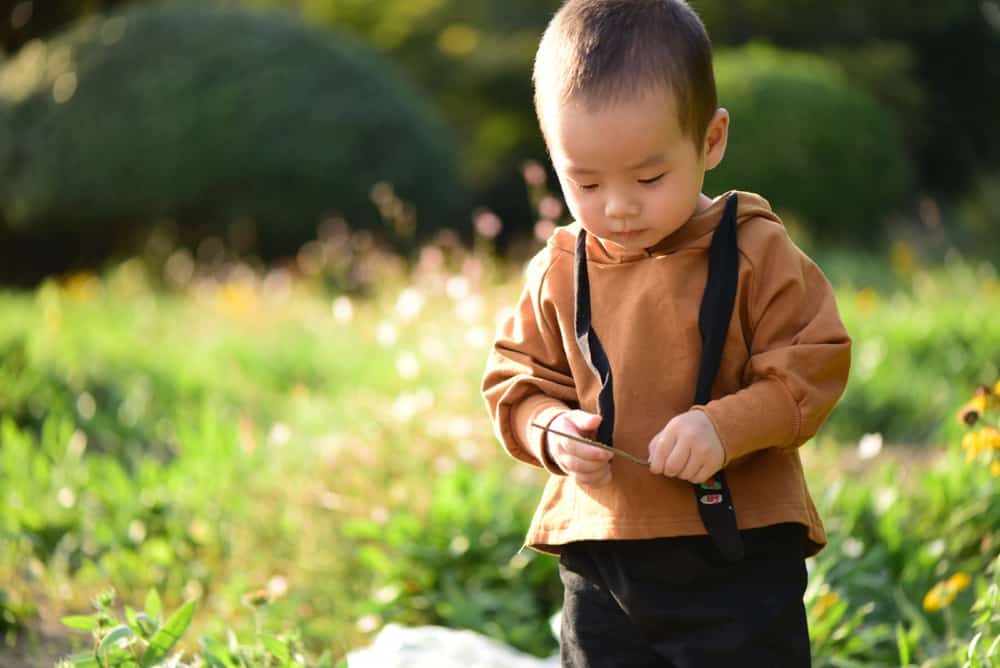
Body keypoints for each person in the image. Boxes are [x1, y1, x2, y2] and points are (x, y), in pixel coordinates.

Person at [480, 0, 852, 665]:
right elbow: (516, 380)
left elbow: (811, 365)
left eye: (650, 177)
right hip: (600, 554)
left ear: (711, 140)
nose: (617, 206)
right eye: (584, 181)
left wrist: (722, 427)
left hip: (737, 551)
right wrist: (549, 429)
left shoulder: (752, 249)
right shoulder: (561, 268)